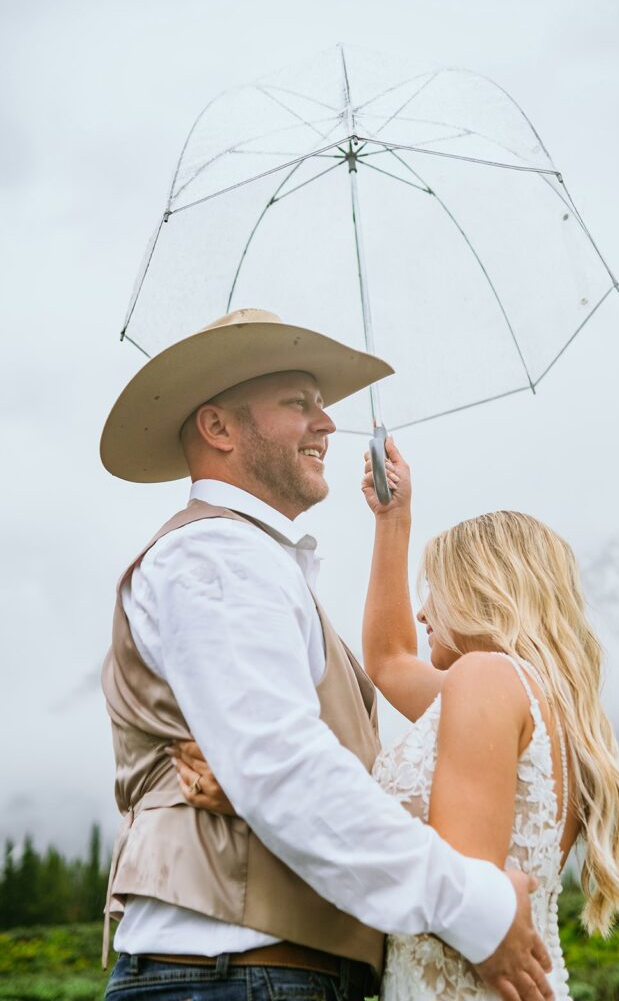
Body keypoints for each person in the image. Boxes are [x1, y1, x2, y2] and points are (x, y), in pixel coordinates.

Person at [100, 309, 553, 1001]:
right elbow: (279, 765)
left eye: (322, 405)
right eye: (298, 403)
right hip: (232, 974)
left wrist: (252, 794)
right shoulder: (213, 554)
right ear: (218, 428)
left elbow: (273, 768)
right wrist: (478, 911)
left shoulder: (251, 561)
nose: (328, 424)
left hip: (257, 976)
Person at [179, 435, 619, 1000]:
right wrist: (392, 518)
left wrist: (263, 788)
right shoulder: (545, 704)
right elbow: (390, 661)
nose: (422, 610)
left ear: (484, 591)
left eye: (435, 590)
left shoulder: (488, 680)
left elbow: (457, 889)